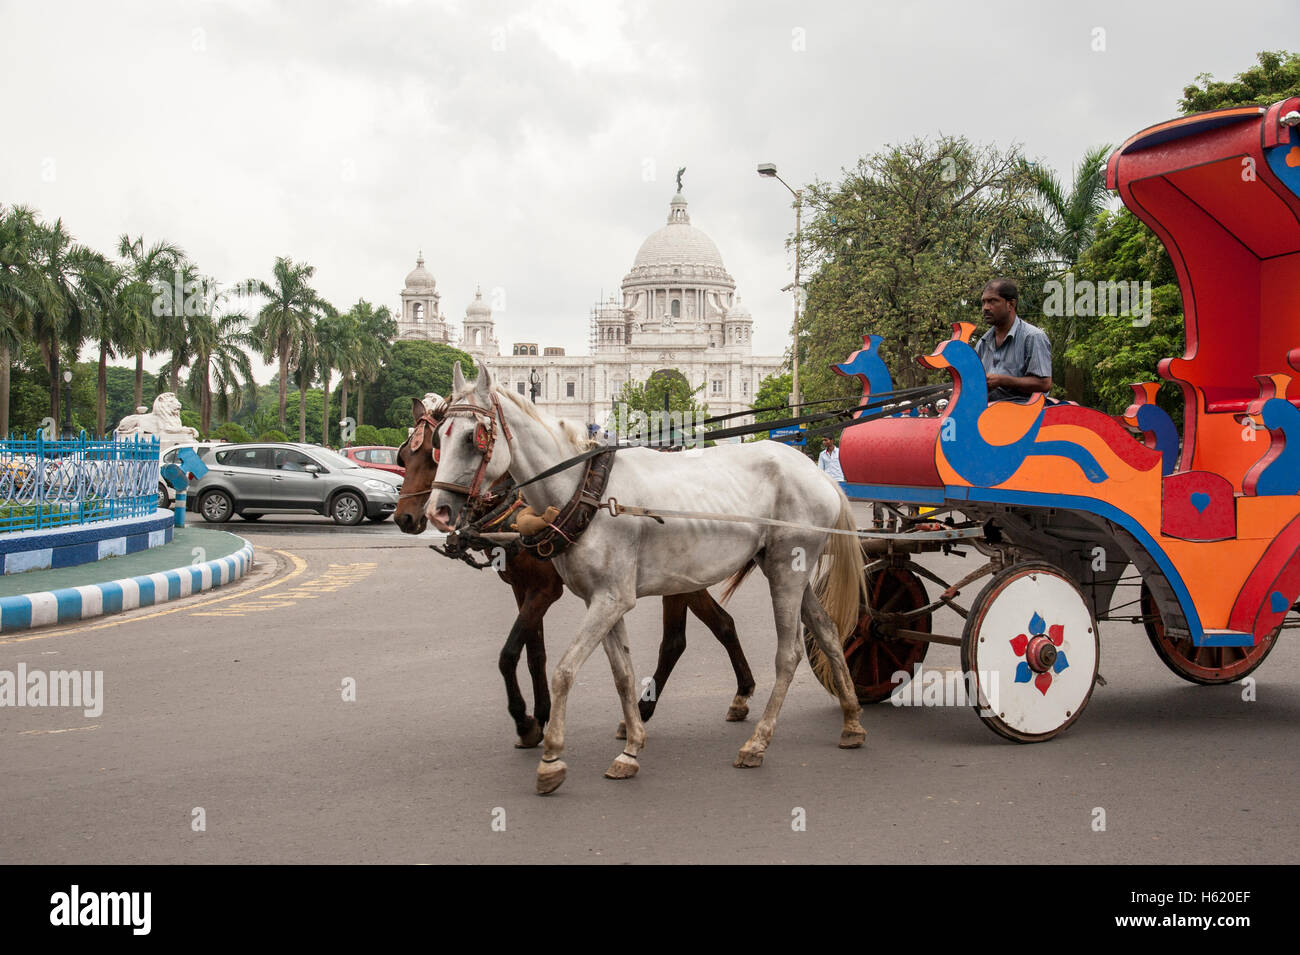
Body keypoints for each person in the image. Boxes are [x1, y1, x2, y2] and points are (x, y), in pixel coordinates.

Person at [974, 279, 1052, 402]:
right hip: (988, 412)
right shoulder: (983, 342)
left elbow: (1044, 384)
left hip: (1024, 413)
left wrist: (1002, 381)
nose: (986, 308)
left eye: (992, 301)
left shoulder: (1033, 337)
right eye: (983, 302)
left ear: (1011, 304)